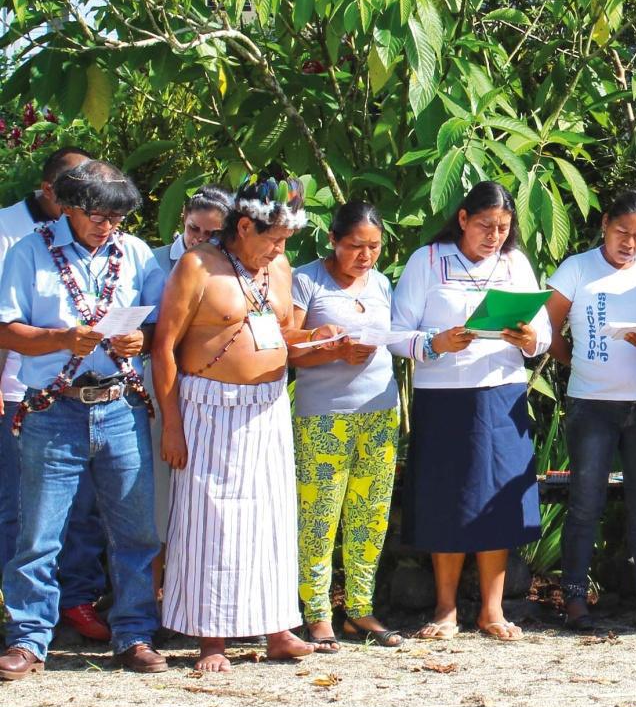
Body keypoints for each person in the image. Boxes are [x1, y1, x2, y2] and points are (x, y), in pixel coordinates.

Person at [154, 175, 340, 672]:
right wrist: (172, 425)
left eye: (285, 240)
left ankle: (279, 629)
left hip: (269, 406)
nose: (280, 249)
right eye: (273, 239)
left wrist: (317, 337)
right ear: (242, 226)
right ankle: (211, 640)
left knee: (273, 519)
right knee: (211, 523)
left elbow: (279, 330)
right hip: (208, 407)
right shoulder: (198, 266)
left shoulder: (276, 266)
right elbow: (164, 347)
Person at [0, 160, 167, 679]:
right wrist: (60, 340)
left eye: (116, 216)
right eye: (97, 214)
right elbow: (5, 329)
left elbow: (162, 320)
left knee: (135, 529)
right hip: (53, 406)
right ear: (69, 205)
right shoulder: (29, 251)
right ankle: (28, 639)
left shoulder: (135, 252)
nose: (106, 225)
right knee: (39, 533)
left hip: (120, 405)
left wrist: (143, 340)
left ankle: (134, 633)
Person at [390, 181, 550, 642]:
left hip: (502, 394)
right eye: (485, 226)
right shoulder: (428, 261)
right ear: (462, 219)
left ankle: (493, 611)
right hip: (444, 397)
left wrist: (529, 339)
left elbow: (541, 331)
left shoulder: (515, 263)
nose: (494, 236)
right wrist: (436, 343)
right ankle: (445, 610)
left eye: (503, 228)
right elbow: (397, 332)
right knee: (447, 498)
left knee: (497, 499)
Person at [545, 190, 636, 631]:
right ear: (605, 223)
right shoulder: (577, 268)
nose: (630, 243)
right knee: (586, 503)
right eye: (622, 232)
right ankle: (573, 598)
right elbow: (547, 326)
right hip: (591, 405)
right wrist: (577, 362)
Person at [0, 146, 112, 644]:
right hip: (21, 390)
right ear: (55, 193)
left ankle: (78, 600)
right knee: (24, 510)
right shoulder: (10, 232)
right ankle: (23, 615)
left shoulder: (107, 240)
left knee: (83, 507)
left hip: (89, 393)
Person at [290, 201, 400, 652]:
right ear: (332, 240)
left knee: (370, 513)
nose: (365, 256)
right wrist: (334, 351)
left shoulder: (382, 283)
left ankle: (360, 608)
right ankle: (316, 613)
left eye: (373, 247)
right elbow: (288, 349)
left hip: (379, 411)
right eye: (355, 246)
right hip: (323, 415)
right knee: (318, 516)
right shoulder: (305, 280)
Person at [148, 185, 232, 590]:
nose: (199, 240)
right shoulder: (152, 262)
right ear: (182, 218)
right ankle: (149, 595)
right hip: (158, 382)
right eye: (193, 229)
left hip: (210, 389)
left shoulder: (232, 266)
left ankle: (189, 593)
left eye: (211, 234)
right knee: (159, 495)